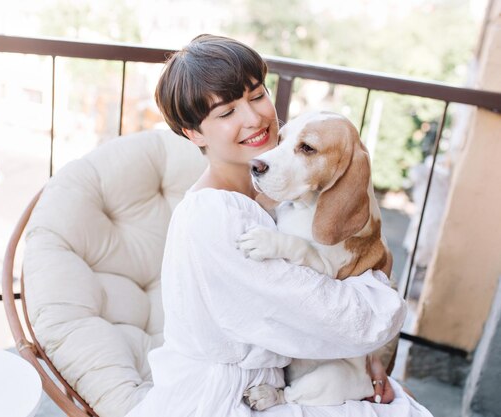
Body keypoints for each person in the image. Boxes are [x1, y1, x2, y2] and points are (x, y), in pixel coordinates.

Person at [125, 34, 432, 417]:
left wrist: (362, 358)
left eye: (256, 96)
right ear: (194, 133)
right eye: (226, 113)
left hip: (283, 381)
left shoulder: (279, 197)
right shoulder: (217, 216)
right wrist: (379, 306)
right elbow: (341, 320)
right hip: (226, 399)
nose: (254, 118)